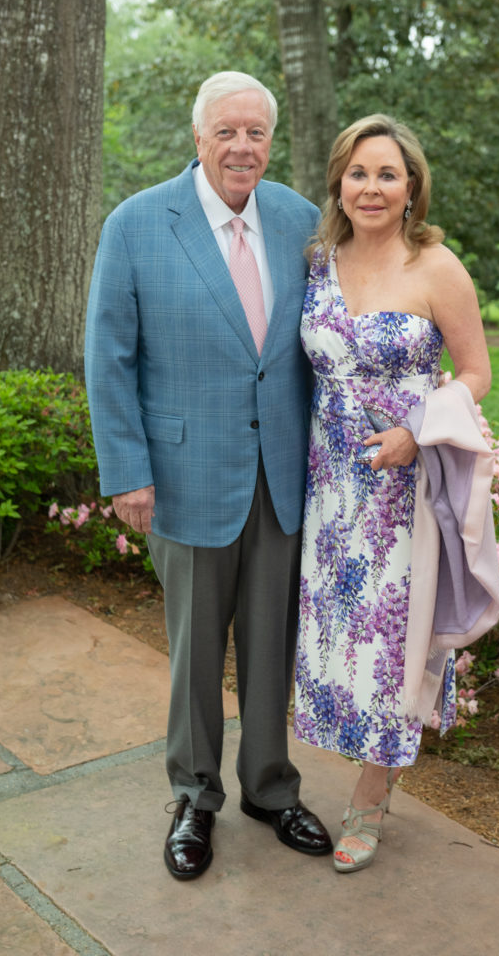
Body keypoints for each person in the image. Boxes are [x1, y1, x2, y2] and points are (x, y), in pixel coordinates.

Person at [85, 71, 332, 880]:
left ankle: (269, 785)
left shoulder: (301, 221)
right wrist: (127, 471)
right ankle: (195, 796)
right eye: (226, 131)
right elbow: (108, 357)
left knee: (272, 642)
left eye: (256, 132)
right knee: (194, 652)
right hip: (185, 474)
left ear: (271, 140)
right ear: (198, 137)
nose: (242, 147)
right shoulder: (135, 224)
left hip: (281, 475)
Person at [293, 114, 499, 873]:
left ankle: (370, 802)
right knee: (337, 638)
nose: (371, 187)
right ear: (338, 185)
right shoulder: (320, 261)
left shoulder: (436, 266)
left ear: (412, 186)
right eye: (358, 173)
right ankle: (349, 765)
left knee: (392, 645)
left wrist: (416, 429)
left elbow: (476, 372)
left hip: (403, 489)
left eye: (387, 174)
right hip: (328, 488)